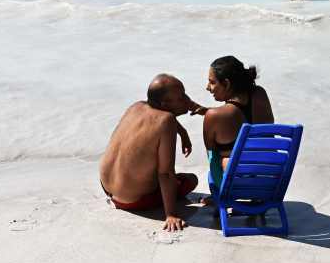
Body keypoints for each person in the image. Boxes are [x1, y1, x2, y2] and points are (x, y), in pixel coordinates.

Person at [99, 75, 198, 231]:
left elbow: (161, 114)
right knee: (191, 180)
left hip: (107, 187)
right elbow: (165, 173)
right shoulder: (167, 121)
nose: (187, 99)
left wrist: (183, 132)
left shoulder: (137, 106)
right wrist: (170, 214)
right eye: (181, 97)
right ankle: (164, 205)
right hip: (132, 201)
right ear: (164, 104)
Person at [190, 56, 274, 195]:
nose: (207, 87)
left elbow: (213, 159)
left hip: (238, 185)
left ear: (227, 84)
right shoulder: (259, 93)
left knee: (217, 161)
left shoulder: (214, 116)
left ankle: (220, 197)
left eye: (212, 82)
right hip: (269, 179)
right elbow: (242, 115)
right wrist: (208, 111)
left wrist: (210, 115)